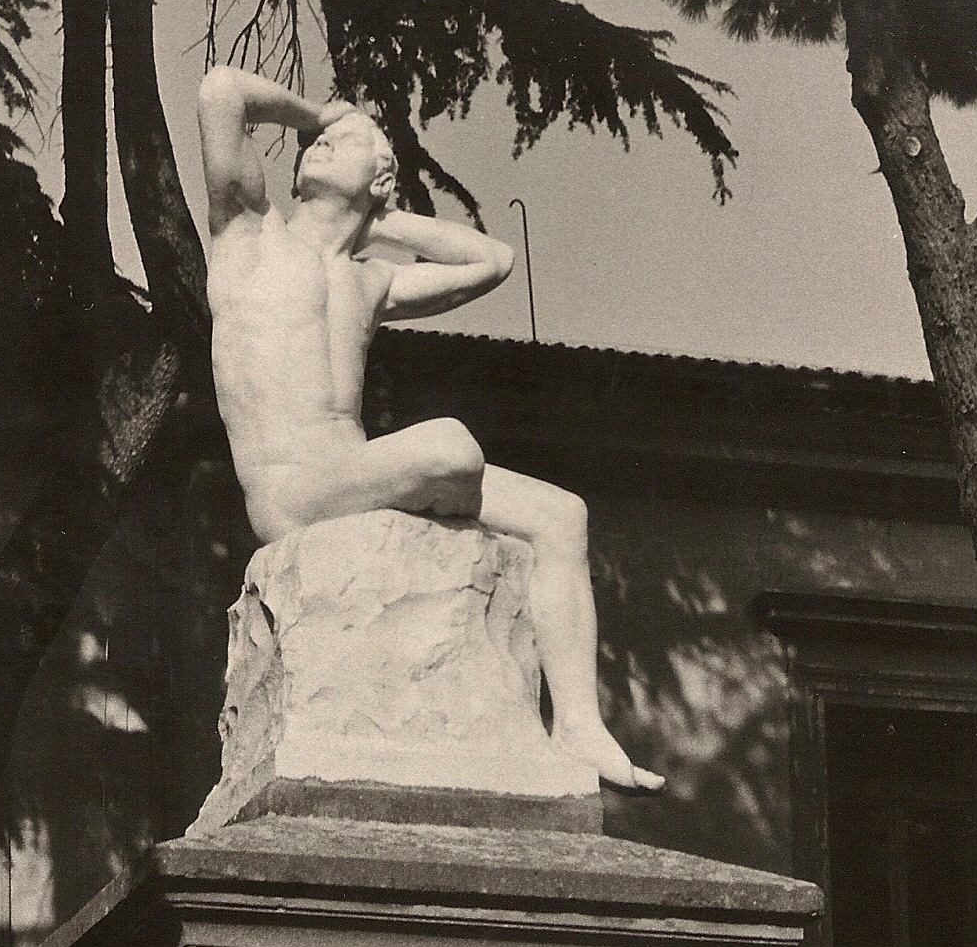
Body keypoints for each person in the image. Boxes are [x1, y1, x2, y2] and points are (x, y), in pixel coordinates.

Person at [198, 66, 663, 794]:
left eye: (342, 144)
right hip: (291, 490)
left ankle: (576, 723)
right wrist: (321, 112)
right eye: (312, 145)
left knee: (559, 516)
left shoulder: (368, 281)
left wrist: (380, 221)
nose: (315, 147)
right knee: (451, 444)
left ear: (380, 179)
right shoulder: (247, 234)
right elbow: (221, 90)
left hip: (357, 475)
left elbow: (493, 261)